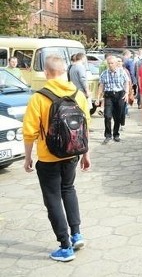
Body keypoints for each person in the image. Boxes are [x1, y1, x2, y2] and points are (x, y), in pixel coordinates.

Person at [22, 54, 91, 262]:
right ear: (64, 71)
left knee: (52, 199)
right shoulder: (77, 94)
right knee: (68, 190)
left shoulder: (39, 97)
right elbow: (85, 126)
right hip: (72, 153)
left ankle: (64, 246)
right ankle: (76, 233)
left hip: (49, 156)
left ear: (46, 73)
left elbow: (29, 132)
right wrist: (86, 155)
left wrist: (27, 158)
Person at [96, 55, 129, 143]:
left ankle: (116, 134)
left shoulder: (122, 72)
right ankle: (108, 135)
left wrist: (126, 93)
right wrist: (98, 98)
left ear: (116, 63)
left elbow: (126, 82)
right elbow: (101, 86)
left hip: (119, 94)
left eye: (112, 63)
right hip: (109, 95)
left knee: (118, 116)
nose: (110, 65)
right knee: (107, 116)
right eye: (109, 63)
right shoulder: (104, 73)